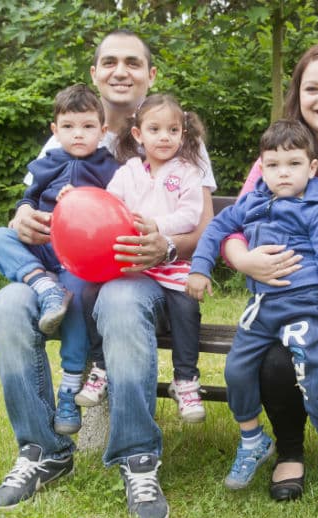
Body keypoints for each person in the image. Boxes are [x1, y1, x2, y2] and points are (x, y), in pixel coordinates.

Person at [0, 30, 216, 518]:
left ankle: (137, 457)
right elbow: (35, 200)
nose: (120, 70)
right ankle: (44, 450)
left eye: (133, 62)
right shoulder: (71, 127)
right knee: (6, 307)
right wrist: (20, 217)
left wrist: (168, 245)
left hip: (137, 270)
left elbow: (202, 222)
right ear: (94, 73)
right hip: (62, 270)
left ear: (151, 74)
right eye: (109, 61)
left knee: (121, 301)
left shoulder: (172, 131)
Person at [222, 42, 318, 503]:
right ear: (298, 96)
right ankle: (287, 451)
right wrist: (242, 259)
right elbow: (233, 226)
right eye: (312, 88)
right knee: (269, 356)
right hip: (289, 297)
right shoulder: (275, 158)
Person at [187, 119, 318, 512]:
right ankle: (252, 439)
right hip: (263, 308)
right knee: (236, 369)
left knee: (313, 372)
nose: (283, 173)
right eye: (273, 164)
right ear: (261, 167)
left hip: (306, 308)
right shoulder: (253, 200)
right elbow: (216, 230)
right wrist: (199, 267)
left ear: (312, 168)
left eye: (293, 164)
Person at [0, 83, 120, 436]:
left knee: (74, 303)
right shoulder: (47, 163)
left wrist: (83, 198)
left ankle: (69, 388)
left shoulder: (111, 169)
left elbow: (116, 207)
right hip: (43, 246)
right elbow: (26, 201)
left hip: (78, 258)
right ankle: (42, 284)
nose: (78, 134)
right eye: (69, 127)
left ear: (103, 131)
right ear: (54, 131)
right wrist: (25, 213)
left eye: (88, 127)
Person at [75, 93, 207, 423]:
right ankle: (101, 367)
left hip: (170, 262)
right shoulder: (129, 171)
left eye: (173, 130)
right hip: (129, 264)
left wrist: (158, 227)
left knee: (187, 304)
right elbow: (109, 205)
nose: (164, 137)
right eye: (155, 129)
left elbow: (191, 215)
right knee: (89, 293)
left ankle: (186, 380)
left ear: (183, 134)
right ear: (138, 134)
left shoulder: (188, 172)